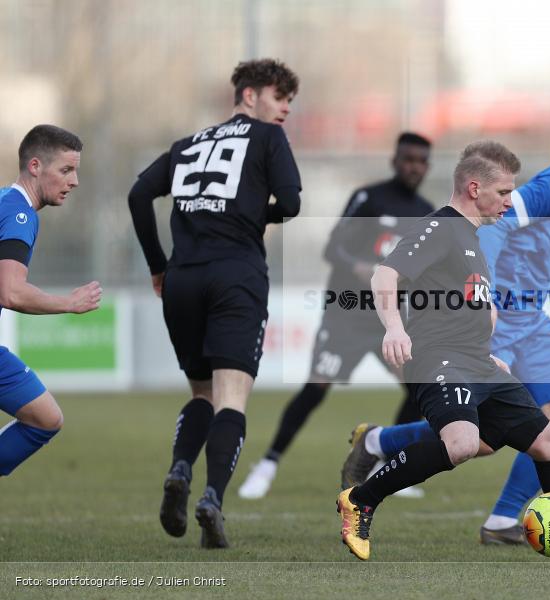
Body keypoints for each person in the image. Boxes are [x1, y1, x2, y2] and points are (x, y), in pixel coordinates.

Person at [341, 115, 550, 545]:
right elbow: (493, 228)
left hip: (528, 326)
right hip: (490, 322)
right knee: (475, 441)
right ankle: (379, 446)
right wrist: (483, 304)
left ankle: (520, 525)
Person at [128, 59, 301, 548]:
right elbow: (290, 204)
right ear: (249, 96)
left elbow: (140, 195)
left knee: (200, 394)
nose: (285, 107)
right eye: (278, 95)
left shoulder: (186, 145)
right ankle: (211, 499)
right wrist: (249, 211)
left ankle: (180, 467)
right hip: (236, 275)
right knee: (232, 398)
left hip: (182, 278)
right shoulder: (268, 139)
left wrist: (157, 265)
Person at [238, 132, 434, 500]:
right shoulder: (369, 198)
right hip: (346, 315)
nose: (414, 167)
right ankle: (267, 465)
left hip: (388, 319)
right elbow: (332, 247)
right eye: (408, 159)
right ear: (395, 160)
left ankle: (386, 464)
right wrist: (358, 266)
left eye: (421, 161)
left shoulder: (425, 211)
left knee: (420, 387)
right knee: (315, 389)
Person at [0, 125, 101, 477]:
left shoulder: (5, 201)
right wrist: (68, 303)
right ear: (35, 166)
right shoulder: (20, 214)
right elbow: (10, 291)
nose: (73, 181)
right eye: (66, 170)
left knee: (45, 418)